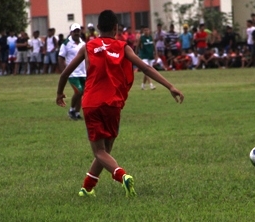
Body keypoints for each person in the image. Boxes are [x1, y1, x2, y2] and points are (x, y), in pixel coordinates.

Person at [56, 10, 184, 198]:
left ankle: (122, 175)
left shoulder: (89, 47)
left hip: (92, 103)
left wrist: (59, 93)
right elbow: (145, 67)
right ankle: (87, 188)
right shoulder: (123, 47)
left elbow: (65, 73)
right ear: (116, 28)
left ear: (98, 28)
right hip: (114, 104)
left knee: (100, 151)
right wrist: (170, 86)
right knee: (106, 150)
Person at [58, 23, 86, 120]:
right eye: (75, 31)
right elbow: (61, 58)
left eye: (78, 31)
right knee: (78, 91)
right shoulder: (66, 44)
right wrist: (64, 72)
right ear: (71, 32)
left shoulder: (83, 43)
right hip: (72, 73)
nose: (77, 33)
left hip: (83, 72)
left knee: (82, 93)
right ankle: (71, 110)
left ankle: (77, 113)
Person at [137, 26, 156, 90]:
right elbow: (137, 45)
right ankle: (151, 84)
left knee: (147, 71)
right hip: (144, 56)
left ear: (149, 31)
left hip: (150, 56)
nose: (146, 31)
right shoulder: (141, 38)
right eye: (145, 30)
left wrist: (156, 54)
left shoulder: (151, 37)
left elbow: (154, 46)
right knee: (147, 70)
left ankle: (143, 85)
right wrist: (136, 54)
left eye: (147, 30)